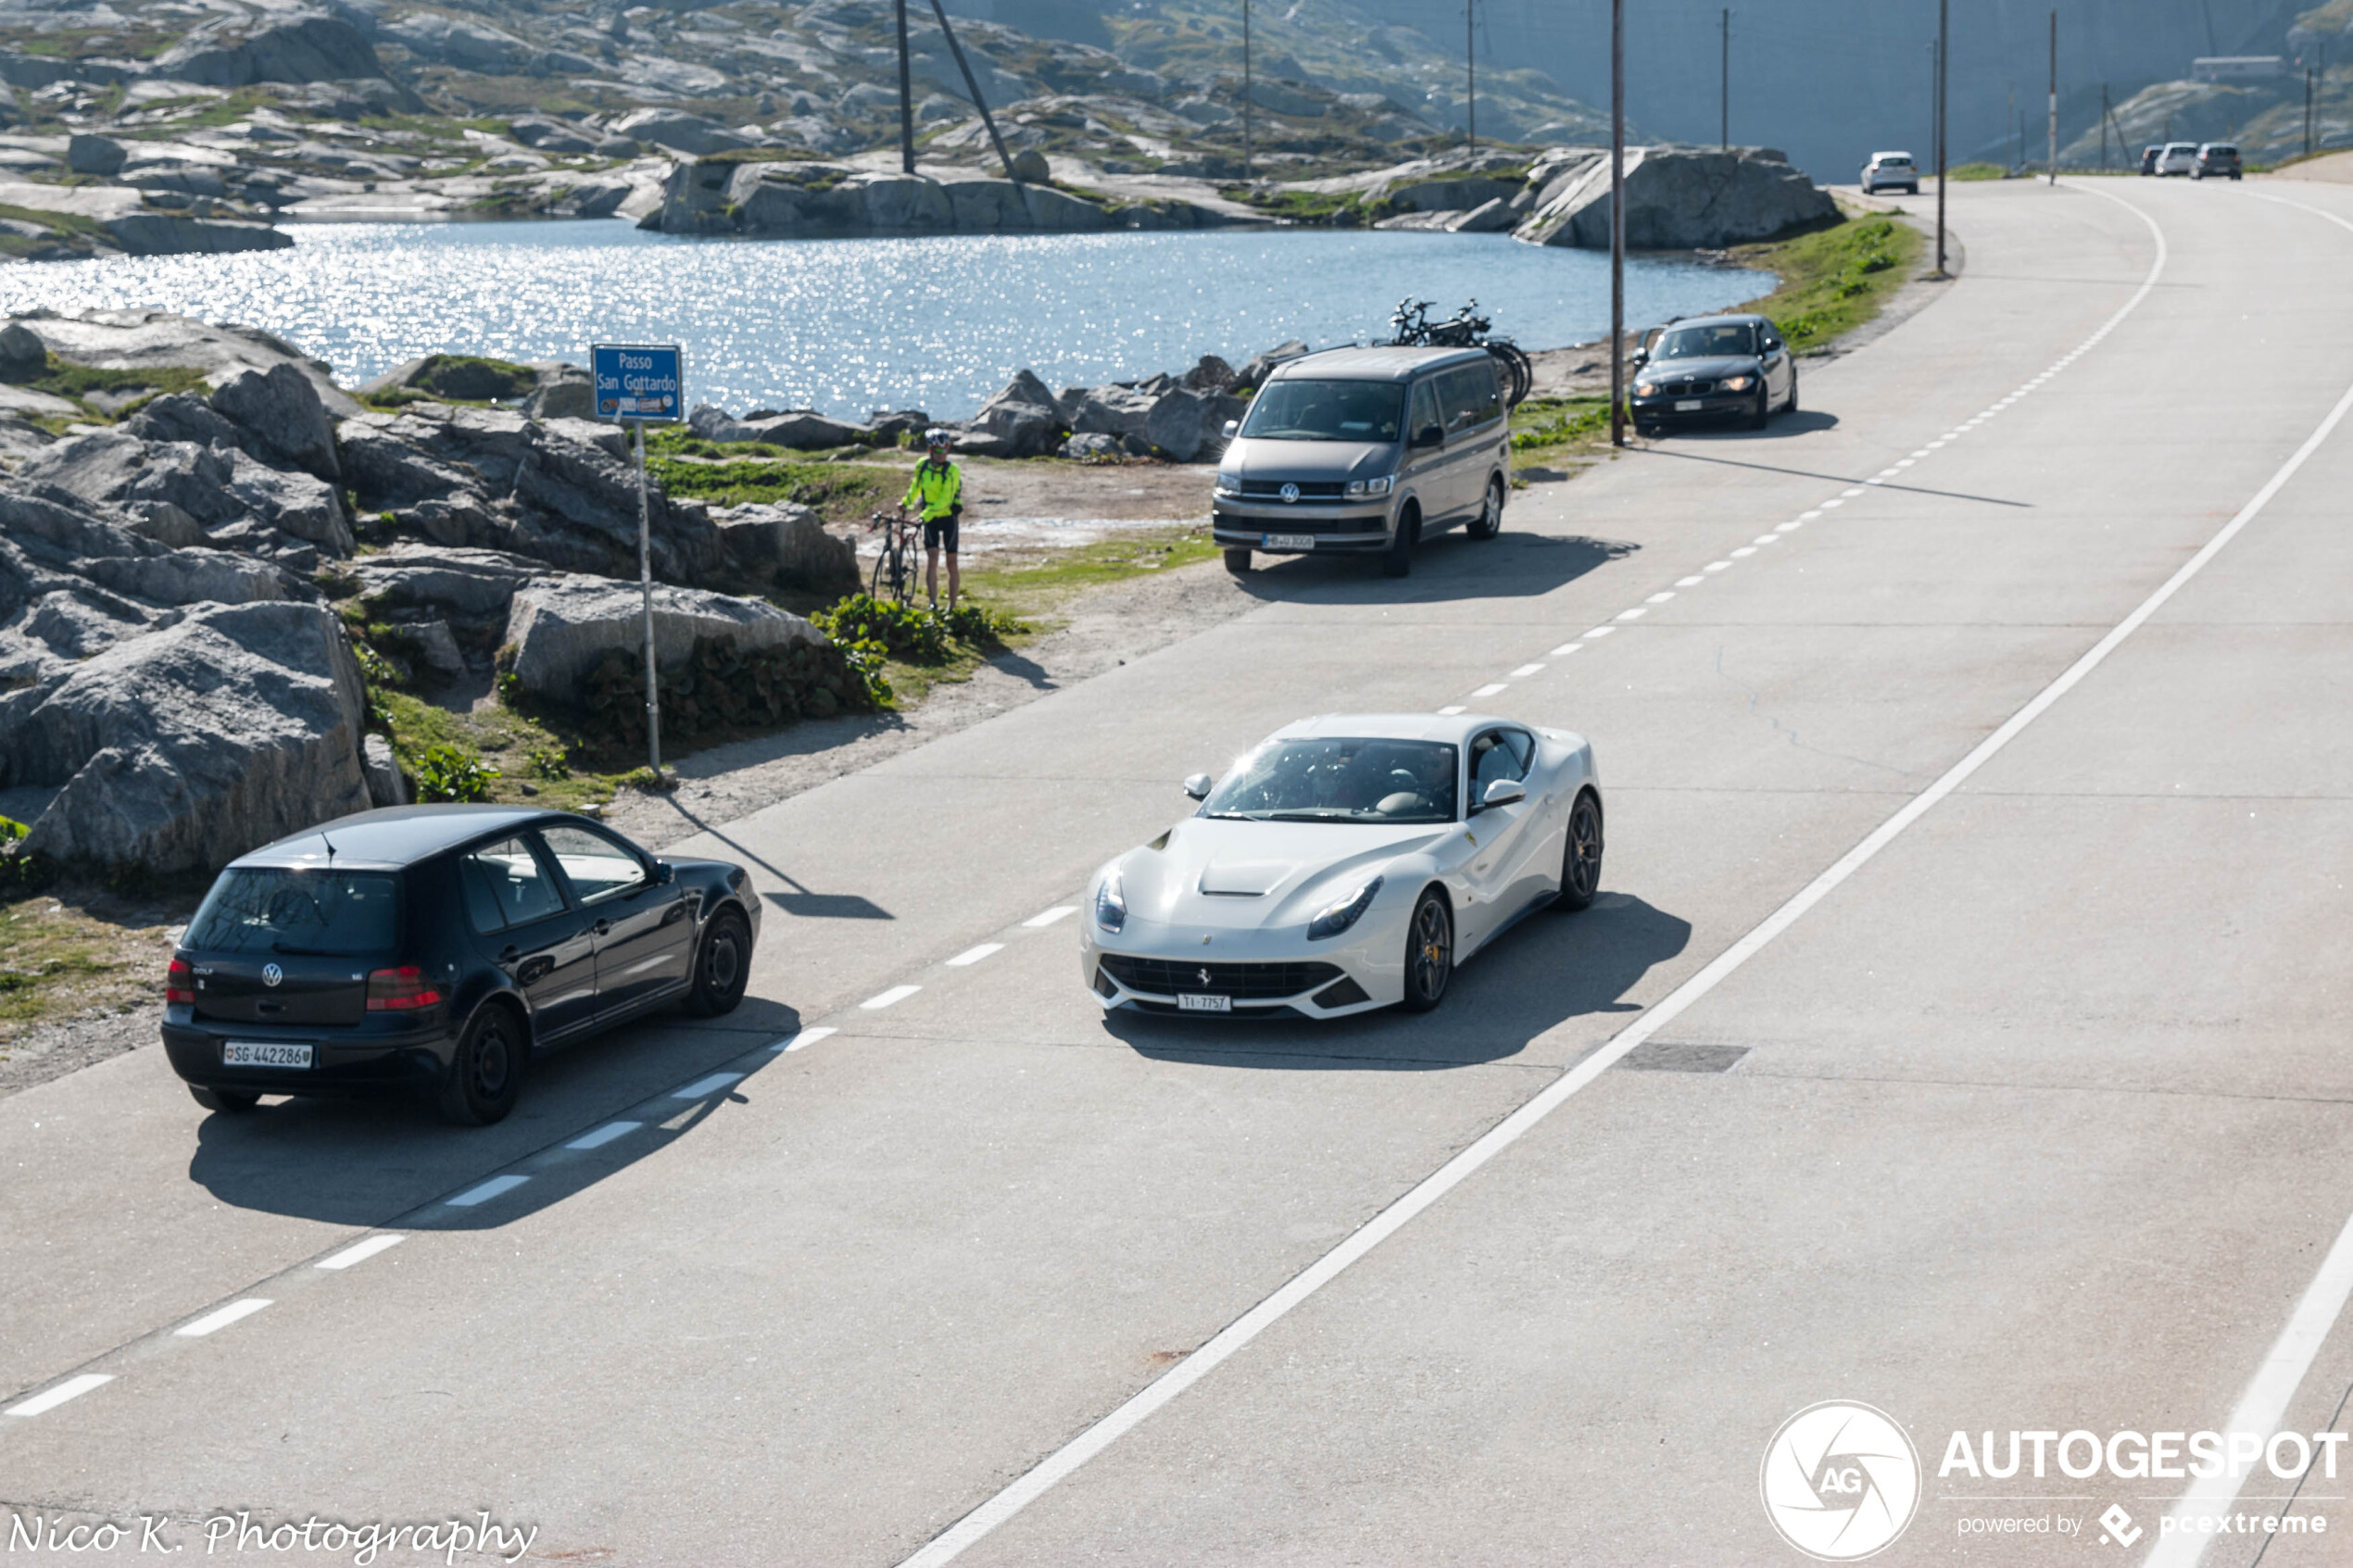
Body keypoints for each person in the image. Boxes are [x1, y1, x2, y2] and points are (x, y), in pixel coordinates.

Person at [900, 428, 963, 608]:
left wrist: (923, 516)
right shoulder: (923, 465)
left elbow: (945, 500)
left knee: (952, 562)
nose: (942, 454)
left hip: (948, 517)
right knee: (932, 558)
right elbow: (915, 488)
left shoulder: (953, 470)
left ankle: (952, 605)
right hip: (929, 518)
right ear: (930, 451)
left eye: (946, 450)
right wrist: (906, 502)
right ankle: (933, 602)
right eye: (938, 451)